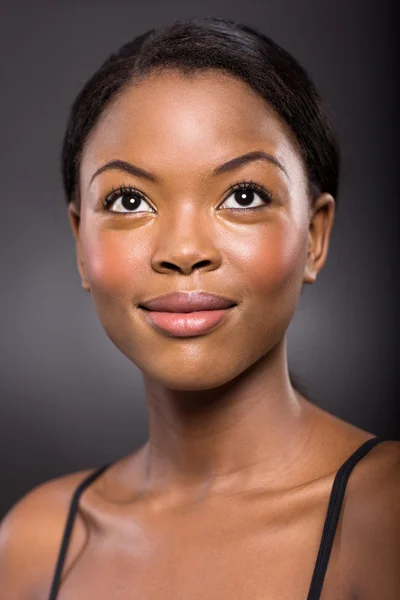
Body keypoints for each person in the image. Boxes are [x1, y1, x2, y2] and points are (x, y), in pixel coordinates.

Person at [0, 16, 399, 600]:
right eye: (129, 200)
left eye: (243, 196)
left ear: (314, 236)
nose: (184, 251)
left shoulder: (386, 518)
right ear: (81, 246)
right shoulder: (33, 543)